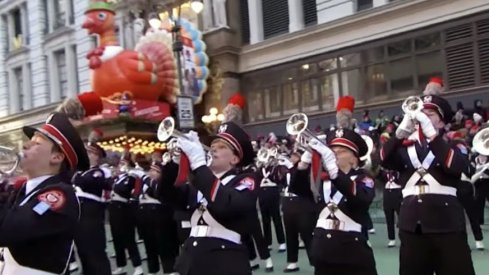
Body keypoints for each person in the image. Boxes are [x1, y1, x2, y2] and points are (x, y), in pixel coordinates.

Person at [381, 94, 475, 275]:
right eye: (419, 113)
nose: (422, 117)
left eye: (429, 114)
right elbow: (382, 159)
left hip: (447, 225)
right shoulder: (404, 148)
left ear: (441, 122)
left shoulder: (454, 145)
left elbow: (456, 166)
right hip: (412, 226)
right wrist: (400, 133)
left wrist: (432, 136)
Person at [159, 122, 257, 275]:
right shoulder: (198, 184)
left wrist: (199, 164)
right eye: (213, 145)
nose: (214, 149)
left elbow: (225, 204)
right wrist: (175, 163)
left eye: (222, 147)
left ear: (234, 159)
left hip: (224, 262)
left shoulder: (245, 180)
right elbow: (166, 195)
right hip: (191, 260)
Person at [0, 112, 89, 274]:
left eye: (37, 143)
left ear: (56, 157)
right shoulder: (24, 191)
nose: (25, 146)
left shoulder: (59, 195)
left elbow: (6, 230)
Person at [299, 128, 377, 275]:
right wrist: (304, 163)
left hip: (353, 252)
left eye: (341, 151)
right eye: (332, 150)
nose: (334, 154)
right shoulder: (320, 179)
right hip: (323, 251)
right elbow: (298, 191)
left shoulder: (363, 179)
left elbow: (361, 198)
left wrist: (335, 172)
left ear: (354, 158)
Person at [72, 141, 113, 274]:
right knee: (82, 249)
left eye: (89, 153)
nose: (86, 155)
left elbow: (85, 182)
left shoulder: (98, 172)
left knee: (94, 250)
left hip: (91, 212)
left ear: (96, 156)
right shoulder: (81, 171)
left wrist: (77, 178)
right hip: (79, 212)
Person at [137, 161, 179, 275]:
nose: (152, 173)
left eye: (156, 171)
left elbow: (161, 196)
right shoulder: (147, 182)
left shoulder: (162, 183)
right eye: (151, 170)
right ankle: (152, 269)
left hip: (161, 218)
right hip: (146, 218)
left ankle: (169, 269)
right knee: (149, 245)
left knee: (164, 245)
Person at [109, 155, 144, 275]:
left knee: (129, 238)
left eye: (124, 163)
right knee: (117, 238)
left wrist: (129, 172)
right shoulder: (116, 179)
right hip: (114, 209)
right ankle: (121, 265)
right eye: (120, 163)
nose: (121, 166)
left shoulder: (131, 177)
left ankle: (137, 265)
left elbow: (126, 190)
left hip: (124, 209)